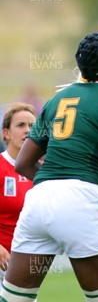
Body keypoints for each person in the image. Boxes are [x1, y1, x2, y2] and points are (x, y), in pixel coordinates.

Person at [0, 33, 98, 302]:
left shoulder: (55, 101)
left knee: (15, 298)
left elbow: (24, 163)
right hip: (83, 198)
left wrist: (53, 182)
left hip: (39, 201)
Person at [0, 104, 36, 285]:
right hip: (2, 262)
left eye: (32, 126)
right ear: (6, 133)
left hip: (28, 263)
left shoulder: (43, 170)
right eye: (21, 125)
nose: (27, 130)